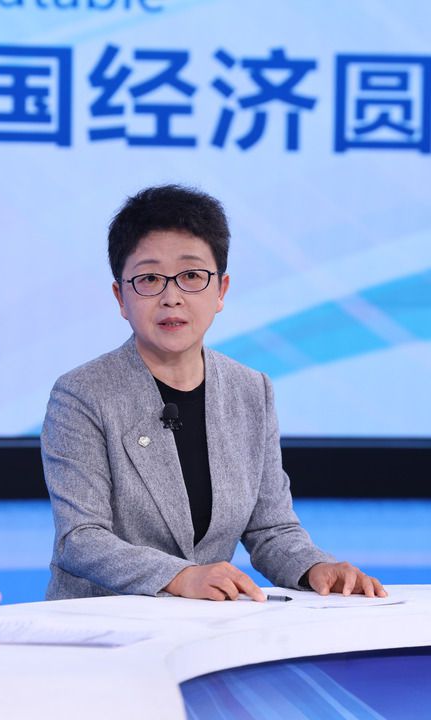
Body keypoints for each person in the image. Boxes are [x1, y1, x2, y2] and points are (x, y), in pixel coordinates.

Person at [42, 185, 386, 602]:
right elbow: (81, 538)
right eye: (149, 279)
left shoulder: (251, 391)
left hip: (207, 624)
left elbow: (271, 528)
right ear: (121, 297)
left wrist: (316, 567)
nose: (172, 297)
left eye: (191, 276)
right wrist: (180, 576)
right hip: (103, 621)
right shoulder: (82, 395)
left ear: (220, 290)